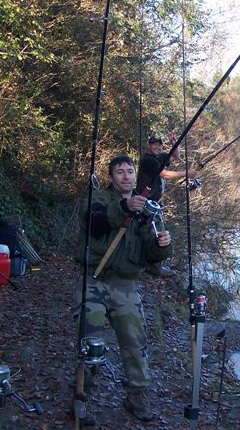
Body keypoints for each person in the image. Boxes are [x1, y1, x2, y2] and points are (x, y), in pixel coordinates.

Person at [74, 154, 172, 422]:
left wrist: (163, 244)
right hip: (94, 279)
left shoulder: (149, 208)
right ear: (112, 177)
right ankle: (82, 397)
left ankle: (137, 397)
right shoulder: (99, 199)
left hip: (126, 284)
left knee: (135, 341)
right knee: (90, 340)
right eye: (120, 172)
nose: (126, 176)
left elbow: (152, 255)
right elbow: (94, 223)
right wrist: (125, 208)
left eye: (130, 171)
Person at [139, 135, 197, 277]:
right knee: (157, 232)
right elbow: (164, 174)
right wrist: (186, 174)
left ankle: (150, 264)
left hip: (156, 202)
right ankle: (154, 267)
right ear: (148, 146)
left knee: (152, 232)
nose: (157, 147)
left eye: (159, 145)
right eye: (154, 145)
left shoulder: (158, 158)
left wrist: (174, 143)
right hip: (146, 202)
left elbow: (175, 157)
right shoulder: (148, 160)